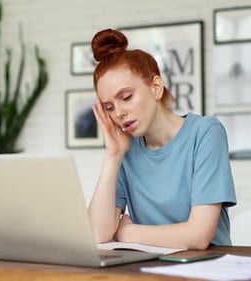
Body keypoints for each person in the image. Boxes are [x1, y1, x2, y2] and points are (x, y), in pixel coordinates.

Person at [88, 28, 236, 250]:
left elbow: (198, 236)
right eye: (109, 107)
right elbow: (97, 234)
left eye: (126, 97)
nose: (118, 112)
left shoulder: (206, 133)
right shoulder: (125, 149)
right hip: (149, 269)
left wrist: (128, 232)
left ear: (156, 87)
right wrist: (113, 156)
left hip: (206, 269)